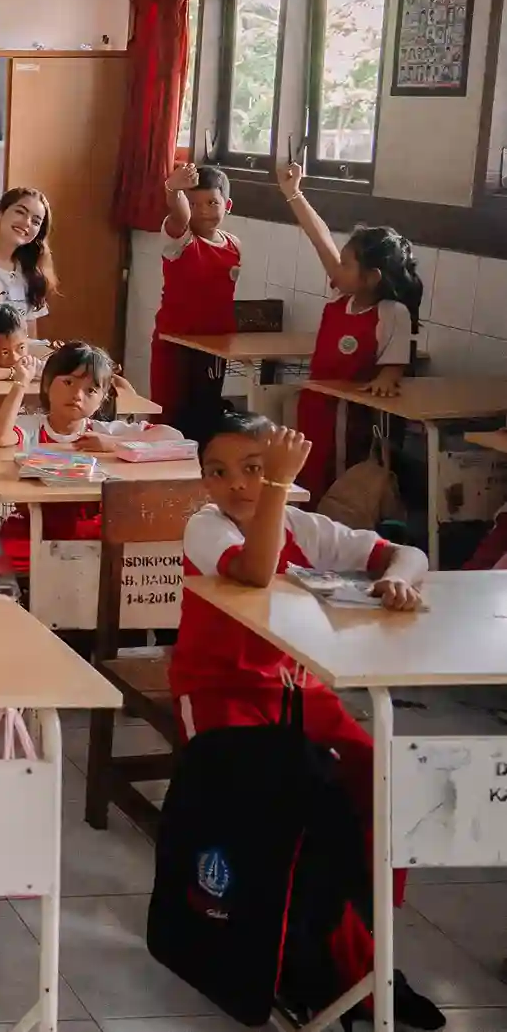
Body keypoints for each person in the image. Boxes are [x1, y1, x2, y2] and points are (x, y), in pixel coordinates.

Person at [173, 416, 441, 1030]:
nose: (239, 484)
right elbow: (256, 572)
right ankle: (345, 970)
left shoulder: (307, 526)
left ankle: (368, 922)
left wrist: (397, 577)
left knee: (380, 774)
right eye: (220, 472)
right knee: (290, 800)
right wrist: (278, 486)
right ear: (204, 481)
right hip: (222, 694)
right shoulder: (205, 527)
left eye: (255, 468)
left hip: (299, 687)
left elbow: (406, 551)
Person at [0, 341, 179, 590]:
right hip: (34, 527)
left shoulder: (103, 431)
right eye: (68, 383)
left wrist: (113, 443)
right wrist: (21, 384)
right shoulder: (33, 428)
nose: (78, 395)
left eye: (91, 390)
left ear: (102, 399)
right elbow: (0, 437)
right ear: (47, 384)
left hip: (93, 531)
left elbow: (171, 436)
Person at [277, 161, 423, 499]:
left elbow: (394, 365)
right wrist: (293, 193)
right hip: (315, 406)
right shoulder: (341, 294)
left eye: (345, 264)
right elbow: (320, 238)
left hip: (349, 418)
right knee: (304, 481)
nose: (336, 268)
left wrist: (387, 378)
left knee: (338, 489)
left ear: (372, 278)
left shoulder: (391, 313)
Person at [148, 163, 241, 428]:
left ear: (228, 205)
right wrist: (172, 189)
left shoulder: (234, 245)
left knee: (206, 414)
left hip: (213, 347)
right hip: (174, 343)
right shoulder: (180, 240)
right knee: (170, 418)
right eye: (193, 203)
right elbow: (178, 216)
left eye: (212, 202)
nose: (202, 211)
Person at [0, 187, 55, 323]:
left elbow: (30, 337)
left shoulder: (31, 275)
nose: (27, 222)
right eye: (20, 212)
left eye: (36, 221)